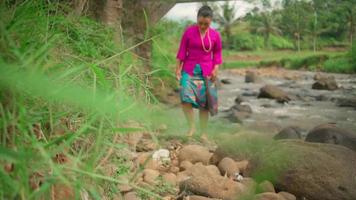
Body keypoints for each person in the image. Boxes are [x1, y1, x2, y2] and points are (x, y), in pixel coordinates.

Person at [175, 5, 223, 140]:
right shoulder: (189, 32)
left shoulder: (215, 35)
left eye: (206, 24)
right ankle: (191, 127)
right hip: (189, 69)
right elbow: (182, 51)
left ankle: (203, 132)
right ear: (197, 19)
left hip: (207, 71)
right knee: (185, 97)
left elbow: (217, 53)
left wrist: (216, 68)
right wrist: (178, 68)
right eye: (200, 23)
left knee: (204, 103)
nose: (202, 26)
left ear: (211, 21)